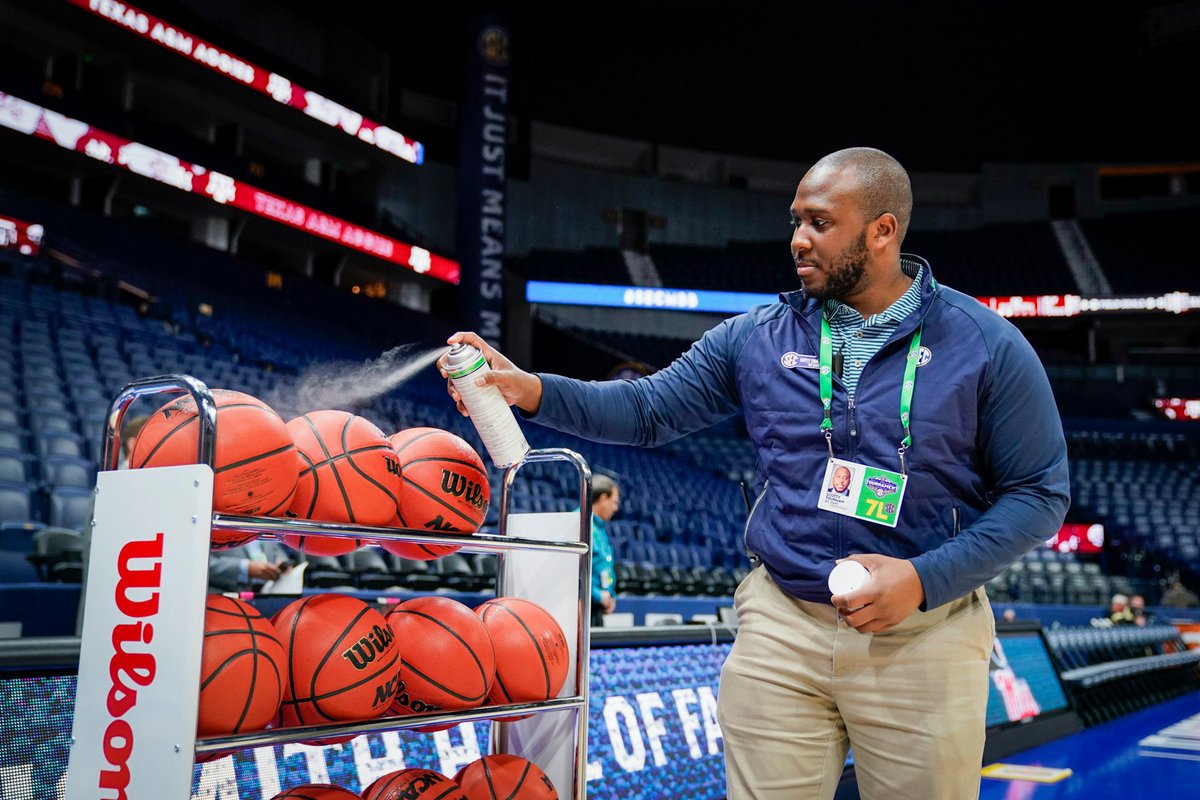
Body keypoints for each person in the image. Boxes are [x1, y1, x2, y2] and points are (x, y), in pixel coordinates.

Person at [439, 147, 1070, 800]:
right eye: (796, 220)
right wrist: (530, 389)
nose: (798, 238)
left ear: (883, 231)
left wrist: (923, 578)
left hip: (924, 631)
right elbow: (648, 409)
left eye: (820, 223)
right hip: (781, 625)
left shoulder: (986, 343)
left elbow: (1040, 493)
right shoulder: (756, 337)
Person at [208, 538, 296, 594]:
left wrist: (282, 562)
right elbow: (202, 565)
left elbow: (276, 549)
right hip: (225, 597)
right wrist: (244, 568)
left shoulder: (263, 518)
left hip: (268, 594)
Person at [589, 473, 620, 627]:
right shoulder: (578, 524)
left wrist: (610, 595)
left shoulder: (599, 529)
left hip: (597, 609)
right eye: (614, 502)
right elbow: (570, 573)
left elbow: (604, 567)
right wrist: (597, 595)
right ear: (602, 499)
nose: (615, 508)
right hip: (583, 610)